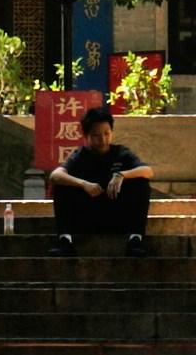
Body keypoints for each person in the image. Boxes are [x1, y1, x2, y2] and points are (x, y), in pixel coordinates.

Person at [47, 101, 153, 255]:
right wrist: (83, 184)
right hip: (87, 217)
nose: (102, 140)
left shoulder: (120, 153)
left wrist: (121, 175)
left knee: (141, 183)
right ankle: (65, 241)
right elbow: (55, 175)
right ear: (86, 136)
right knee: (63, 185)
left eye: (106, 133)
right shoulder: (80, 155)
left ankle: (135, 240)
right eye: (96, 135)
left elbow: (148, 171)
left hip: (116, 215)